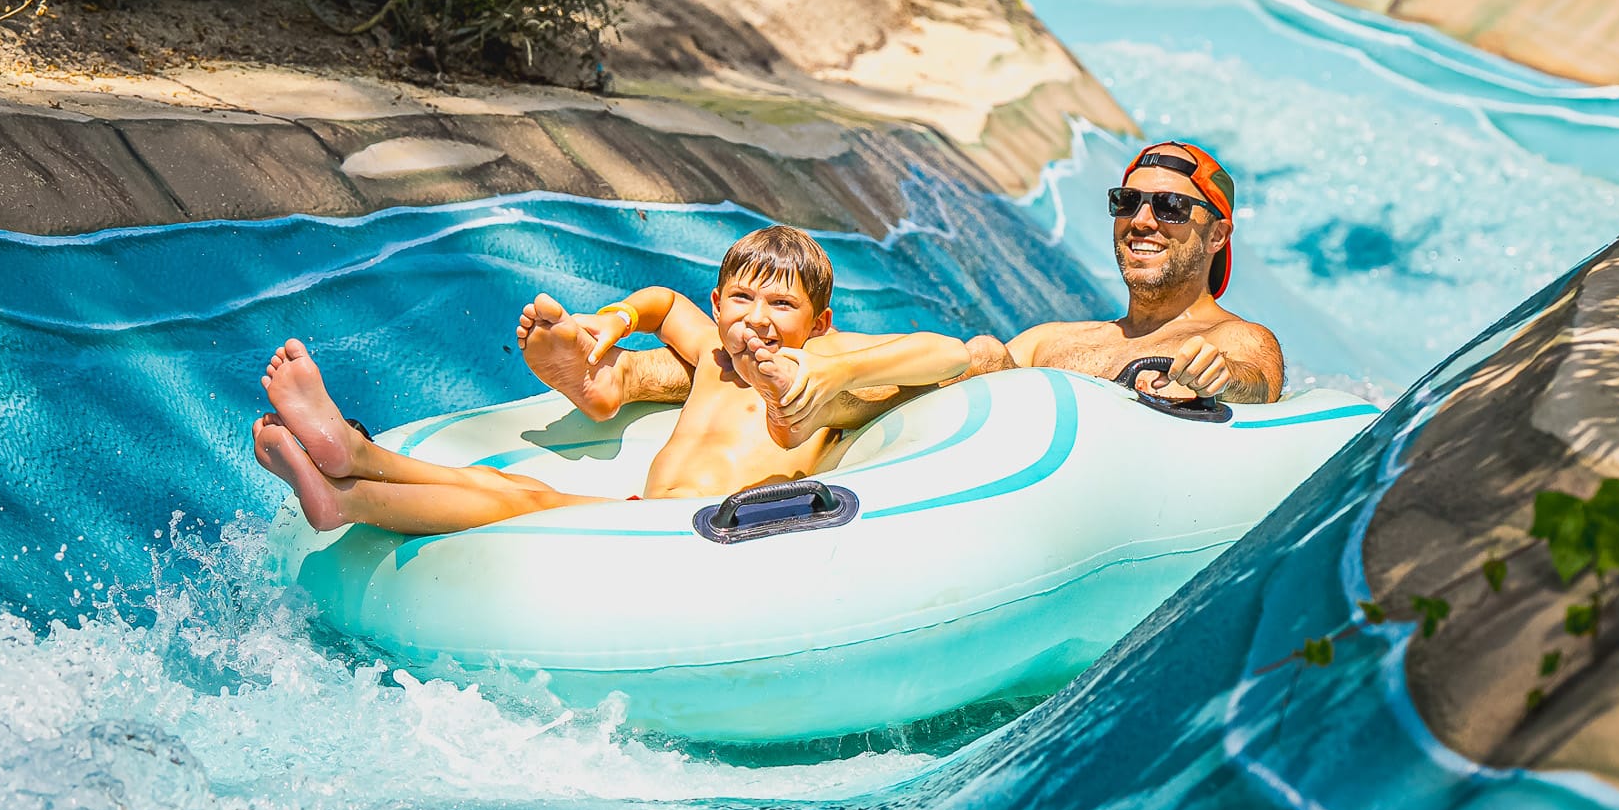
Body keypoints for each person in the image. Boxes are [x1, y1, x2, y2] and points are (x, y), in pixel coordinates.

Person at [520, 142, 1284, 443]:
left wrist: (1219, 381)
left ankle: (633, 376)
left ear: (1216, 234)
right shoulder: (1057, 340)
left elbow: (1253, 377)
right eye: (1128, 202)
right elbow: (946, 378)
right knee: (965, 355)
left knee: (945, 359)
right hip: (893, 413)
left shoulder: (1233, 340)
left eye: (1171, 207)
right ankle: (621, 375)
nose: (1144, 218)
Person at [252, 225, 974, 534]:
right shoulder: (716, 359)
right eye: (744, 300)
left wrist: (836, 369)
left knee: (516, 502)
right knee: (507, 487)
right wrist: (616, 319)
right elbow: (665, 304)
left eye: (783, 305)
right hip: (647, 515)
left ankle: (352, 486)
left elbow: (947, 355)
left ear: (817, 323)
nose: (758, 318)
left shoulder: (820, 380)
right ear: (720, 308)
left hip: (708, 533)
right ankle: (347, 465)